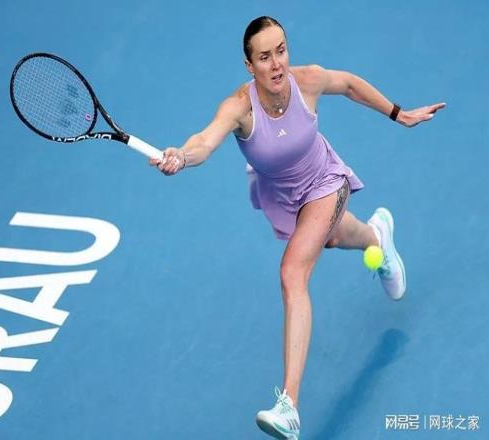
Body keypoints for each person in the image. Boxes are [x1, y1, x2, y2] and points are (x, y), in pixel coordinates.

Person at [150, 16, 445, 440]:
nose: (276, 64)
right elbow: (204, 141)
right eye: (264, 57)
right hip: (284, 196)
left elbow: (349, 85)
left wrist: (399, 114)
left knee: (292, 272)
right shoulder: (239, 107)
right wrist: (181, 155)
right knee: (335, 236)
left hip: (325, 180)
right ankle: (378, 237)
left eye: (281, 51)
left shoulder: (307, 80)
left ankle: (289, 406)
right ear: (249, 65)